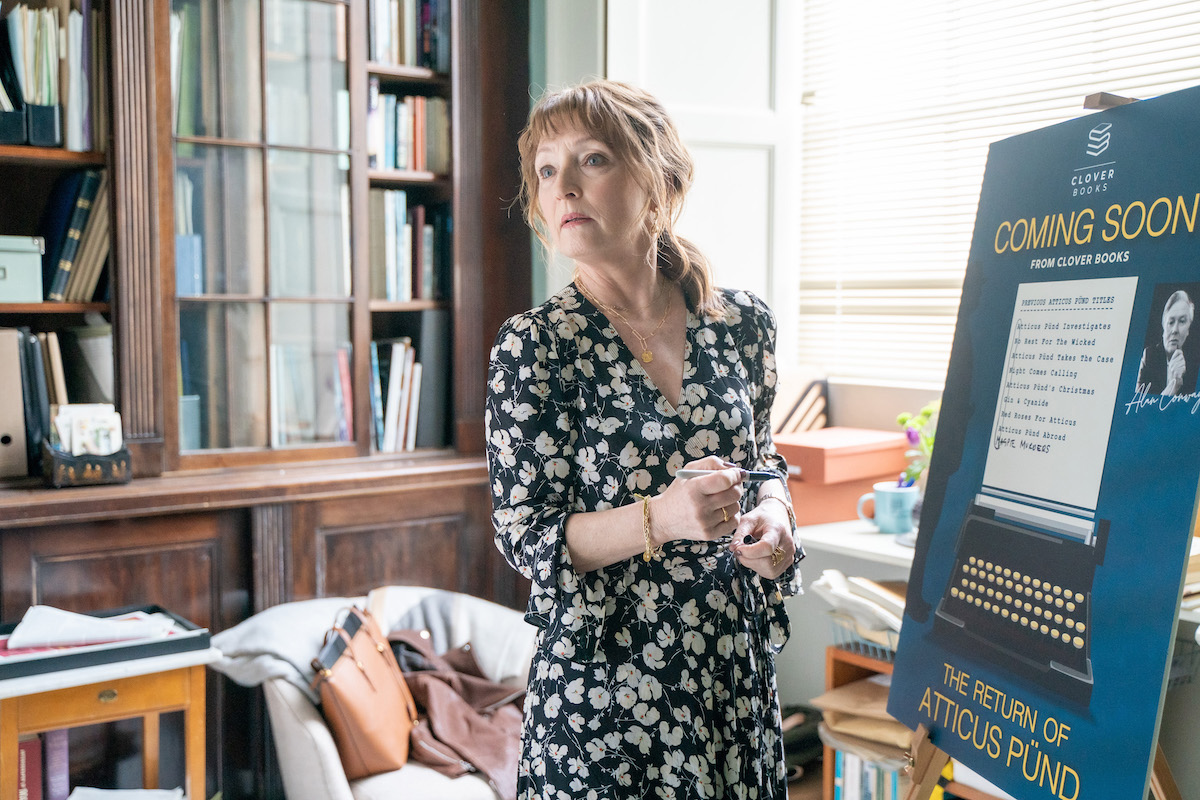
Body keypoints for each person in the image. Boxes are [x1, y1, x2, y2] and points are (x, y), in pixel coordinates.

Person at [485, 79, 802, 800]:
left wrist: (775, 518)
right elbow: (524, 536)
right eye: (546, 169)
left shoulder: (744, 325)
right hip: (604, 700)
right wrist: (665, 517)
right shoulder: (535, 348)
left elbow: (764, 463)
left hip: (731, 677)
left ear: (657, 181)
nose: (562, 186)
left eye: (591, 160)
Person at [1137, 289, 1196, 396]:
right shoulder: (1149, 356)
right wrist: (1174, 384)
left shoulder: (1194, 364)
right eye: (1171, 322)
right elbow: (1137, 406)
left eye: (1182, 321)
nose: (1175, 330)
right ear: (1164, 324)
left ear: (1188, 328)